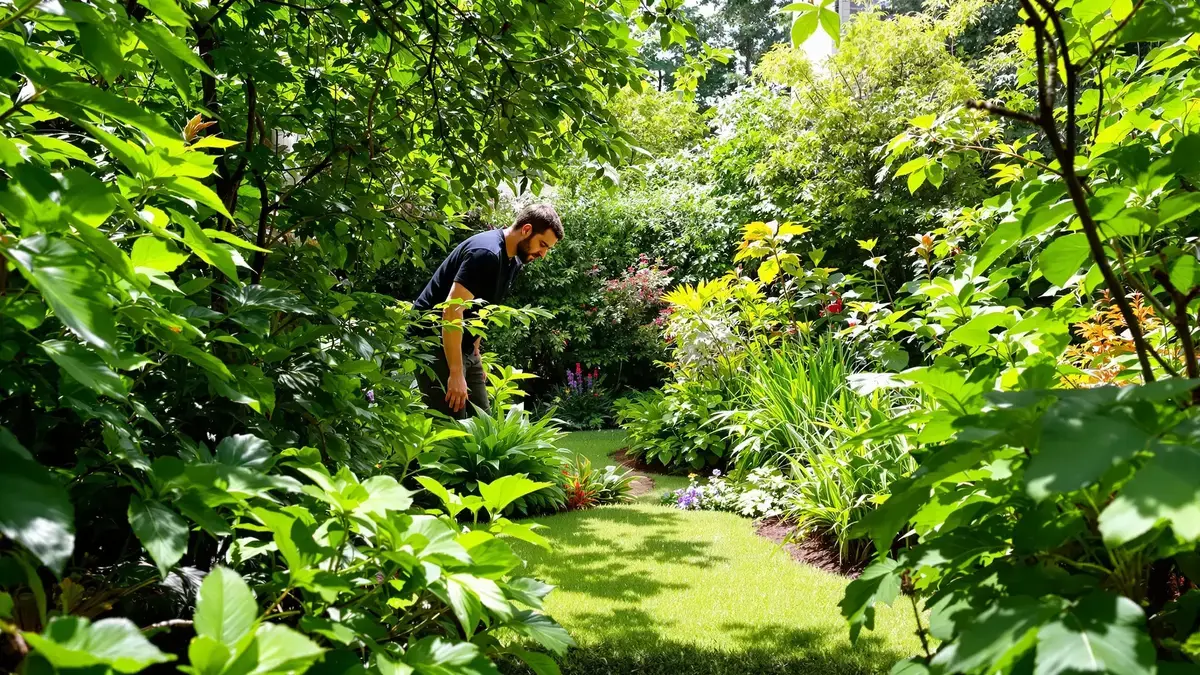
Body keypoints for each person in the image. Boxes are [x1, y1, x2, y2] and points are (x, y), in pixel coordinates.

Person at [413, 204, 563, 417]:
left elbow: (483, 309)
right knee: (453, 427)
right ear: (527, 229)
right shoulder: (486, 254)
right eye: (542, 244)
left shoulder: (513, 262)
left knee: (483, 423)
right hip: (432, 340)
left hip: (463, 344)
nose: (544, 254)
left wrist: (476, 353)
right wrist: (456, 373)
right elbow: (452, 311)